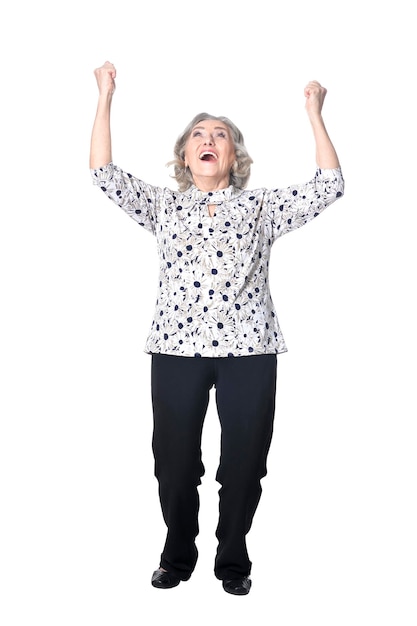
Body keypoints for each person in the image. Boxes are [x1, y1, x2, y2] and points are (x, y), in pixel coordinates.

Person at [89, 61, 344, 596]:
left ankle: (233, 558)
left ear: (234, 156)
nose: (209, 140)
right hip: (176, 350)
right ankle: (177, 553)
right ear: (185, 156)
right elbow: (103, 173)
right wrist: (105, 96)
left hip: (250, 349)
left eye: (220, 135)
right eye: (199, 135)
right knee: (175, 466)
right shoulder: (163, 205)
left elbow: (329, 185)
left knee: (245, 465)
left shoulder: (260, 206)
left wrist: (315, 114)